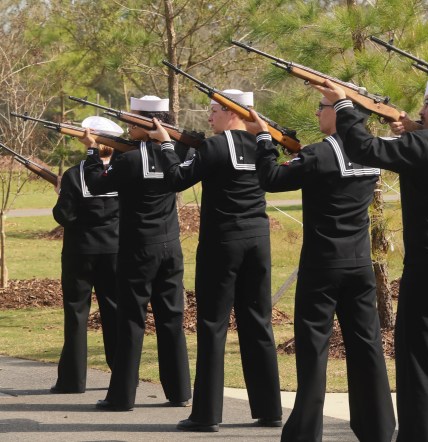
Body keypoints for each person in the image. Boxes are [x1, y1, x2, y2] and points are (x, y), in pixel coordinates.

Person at [316, 79, 428, 441]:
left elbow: (364, 148)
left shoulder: (427, 143)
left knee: (419, 369)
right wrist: (416, 130)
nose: (421, 110)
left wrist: (343, 105)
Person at [246, 97, 395, 441]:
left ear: (340, 112)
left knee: (313, 350)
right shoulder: (373, 152)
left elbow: (270, 178)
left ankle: (306, 432)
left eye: (322, 105)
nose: (316, 111)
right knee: (367, 347)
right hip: (359, 263)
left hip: (322, 265)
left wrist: (264, 139)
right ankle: (378, 428)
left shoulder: (319, 154)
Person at [149, 90, 282, 432]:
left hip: (222, 243)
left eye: (213, 111)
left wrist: (166, 146)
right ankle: (269, 409)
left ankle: (206, 414)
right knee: (258, 322)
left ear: (231, 111)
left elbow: (177, 179)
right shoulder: (263, 142)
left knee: (212, 324)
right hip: (258, 240)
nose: (209, 118)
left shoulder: (214, 146)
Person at [82, 95, 191, 412]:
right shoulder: (178, 153)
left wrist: (92, 150)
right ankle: (179, 391)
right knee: (171, 318)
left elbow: (95, 184)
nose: (128, 125)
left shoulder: (128, 160)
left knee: (131, 320)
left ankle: (122, 397)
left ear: (149, 123)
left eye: (133, 120)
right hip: (171, 246)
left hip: (138, 249)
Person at [50, 116, 121, 394]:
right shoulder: (125, 170)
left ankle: (72, 380)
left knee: (76, 313)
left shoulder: (74, 174)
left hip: (80, 251)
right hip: (115, 250)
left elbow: (64, 216)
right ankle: (121, 375)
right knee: (114, 311)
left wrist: (61, 194)